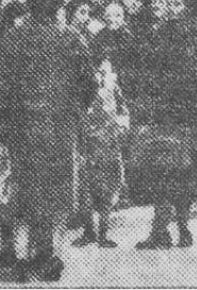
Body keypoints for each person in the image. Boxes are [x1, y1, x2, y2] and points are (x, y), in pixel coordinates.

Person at [0, 0, 93, 282]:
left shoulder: (14, 38)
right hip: (60, 129)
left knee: (23, 192)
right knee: (57, 194)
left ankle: (22, 259)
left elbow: (2, 88)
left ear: (30, 2)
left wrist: (2, 128)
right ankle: (50, 256)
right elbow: (89, 84)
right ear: (60, 3)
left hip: (23, 128)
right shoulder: (72, 38)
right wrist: (73, 109)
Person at [131, 0, 197, 250]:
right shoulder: (167, 33)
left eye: (177, 4)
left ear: (187, 7)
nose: (171, 8)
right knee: (172, 171)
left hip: (179, 113)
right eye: (168, 3)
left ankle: (169, 230)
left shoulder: (189, 35)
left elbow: (195, 74)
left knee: (170, 171)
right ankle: (177, 229)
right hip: (173, 113)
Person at [71, 58, 130, 249]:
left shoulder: (113, 85)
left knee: (109, 188)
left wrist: (121, 128)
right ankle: (89, 232)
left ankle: (103, 233)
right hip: (89, 144)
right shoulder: (83, 85)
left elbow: (123, 110)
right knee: (86, 189)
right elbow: (77, 112)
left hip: (109, 143)